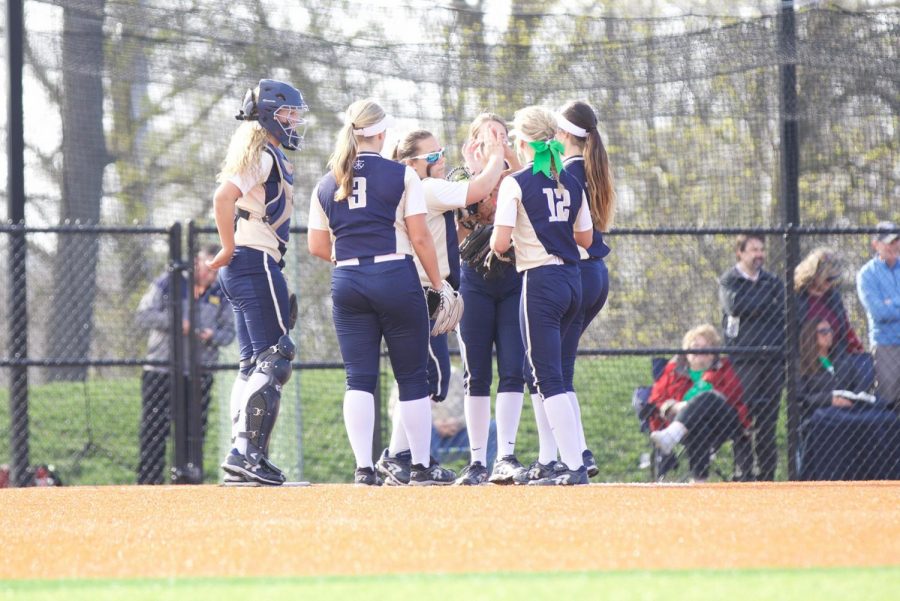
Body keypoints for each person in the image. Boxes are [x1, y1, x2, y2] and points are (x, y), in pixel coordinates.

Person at [307, 98, 460, 486]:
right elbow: (422, 238)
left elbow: (317, 247)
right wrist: (439, 285)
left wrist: (352, 262)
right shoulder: (401, 175)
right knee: (411, 376)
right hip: (394, 273)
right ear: (380, 133)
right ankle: (422, 467)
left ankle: (363, 469)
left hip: (347, 281)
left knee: (358, 378)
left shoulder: (327, 182)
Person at [372, 127, 505, 486]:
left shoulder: (417, 188)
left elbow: (453, 223)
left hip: (419, 288)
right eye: (432, 156)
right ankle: (397, 457)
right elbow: (478, 190)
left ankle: (398, 457)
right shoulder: (423, 186)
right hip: (420, 289)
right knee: (427, 376)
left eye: (441, 151)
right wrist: (495, 155)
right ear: (411, 163)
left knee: (427, 376)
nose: (440, 159)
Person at [208, 79, 308, 486]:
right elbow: (222, 198)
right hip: (254, 260)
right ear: (269, 113)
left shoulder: (264, 153)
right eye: (288, 113)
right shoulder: (263, 154)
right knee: (275, 355)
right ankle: (245, 454)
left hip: (249, 263)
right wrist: (227, 246)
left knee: (253, 363)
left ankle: (243, 455)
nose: (294, 120)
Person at [490, 105, 594, 486]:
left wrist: (506, 244)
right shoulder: (570, 179)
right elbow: (585, 237)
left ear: (521, 141)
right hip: (572, 280)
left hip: (539, 281)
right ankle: (564, 461)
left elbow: (500, 241)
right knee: (554, 377)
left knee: (547, 378)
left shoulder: (516, 182)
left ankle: (572, 464)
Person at [517, 100, 615, 484]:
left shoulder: (564, 173)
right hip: (591, 274)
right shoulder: (586, 168)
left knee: (544, 373)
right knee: (559, 372)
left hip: (570, 271)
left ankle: (558, 457)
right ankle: (574, 453)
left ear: (561, 136)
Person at [450, 113, 530, 486]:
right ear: (474, 142)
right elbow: (465, 220)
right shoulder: (462, 178)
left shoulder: (520, 177)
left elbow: (529, 179)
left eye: (503, 135)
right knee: (477, 372)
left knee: (514, 368)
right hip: (475, 281)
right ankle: (478, 461)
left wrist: (508, 158)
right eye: (489, 136)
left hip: (513, 279)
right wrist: (484, 166)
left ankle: (506, 456)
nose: (497, 140)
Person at [135, 245, 235, 484]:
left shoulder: (220, 293)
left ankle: (189, 481)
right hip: (161, 369)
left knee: (194, 431)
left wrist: (211, 335)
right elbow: (143, 315)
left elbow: (229, 333)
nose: (211, 275)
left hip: (199, 371)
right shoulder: (168, 283)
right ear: (197, 261)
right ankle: (149, 482)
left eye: (216, 270)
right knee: (154, 429)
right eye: (208, 268)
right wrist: (178, 323)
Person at [648, 324, 752, 483]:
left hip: (722, 421)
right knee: (698, 425)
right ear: (687, 351)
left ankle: (673, 434)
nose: (699, 351)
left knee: (708, 397)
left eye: (705, 347)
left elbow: (734, 394)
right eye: (695, 347)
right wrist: (676, 406)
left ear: (713, 353)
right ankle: (699, 482)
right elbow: (656, 397)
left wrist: (696, 399)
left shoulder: (723, 367)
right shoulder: (674, 370)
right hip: (687, 423)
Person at [718, 233, 785, 481]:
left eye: (761, 250)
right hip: (743, 362)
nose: (759, 254)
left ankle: (767, 475)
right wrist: (764, 304)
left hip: (772, 361)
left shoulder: (772, 281)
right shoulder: (729, 280)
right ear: (740, 253)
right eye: (753, 250)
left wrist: (757, 306)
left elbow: (783, 311)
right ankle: (743, 473)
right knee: (743, 420)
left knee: (768, 423)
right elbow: (736, 307)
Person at [856, 222, 900, 407]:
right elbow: (879, 312)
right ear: (876, 244)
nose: (894, 246)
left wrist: (892, 302)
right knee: (887, 401)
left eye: (897, 241)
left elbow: (887, 308)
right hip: (885, 346)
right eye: (889, 242)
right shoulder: (867, 274)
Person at [795, 247, 865, 358]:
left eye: (834, 279)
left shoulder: (833, 296)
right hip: (807, 359)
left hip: (835, 355)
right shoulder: (797, 297)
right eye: (828, 279)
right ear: (815, 274)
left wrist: (857, 347)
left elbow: (845, 326)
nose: (831, 283)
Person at [797, 319, 868, 419]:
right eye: (824, 332)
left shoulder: (841, 358)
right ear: (811, 335)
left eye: (830, 331)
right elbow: (801, 399)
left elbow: (859, 381)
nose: (829, 334)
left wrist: (853, 399)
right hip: (822, 414)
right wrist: (830, 400)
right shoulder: (802, 364)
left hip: (850, 410)